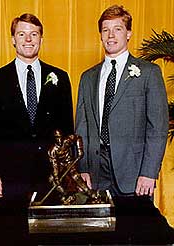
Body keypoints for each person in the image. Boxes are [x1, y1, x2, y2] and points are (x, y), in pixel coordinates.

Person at [75, 5, 174, 244]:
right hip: (97, 172)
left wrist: (148, 173)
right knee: (100, 236)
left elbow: (158, 127)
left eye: (117, 29)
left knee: (136, 234)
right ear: (100, 34)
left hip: (134, 172)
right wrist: (84, 167)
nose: (111, 35)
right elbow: (82, 127)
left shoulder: (149, 72)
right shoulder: (87, 77)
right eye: (106, 30)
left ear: (128, 33)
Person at [0, 13, 73, 245]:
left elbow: (67, 129)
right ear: (13, 40)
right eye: (22, 34)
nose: (28, 39)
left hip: (50, 175)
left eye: (33, 34)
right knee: (10, 234)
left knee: (48, 235)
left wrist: (67, 173)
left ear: (41, 39)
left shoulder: (59, 77)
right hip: (9, 176)